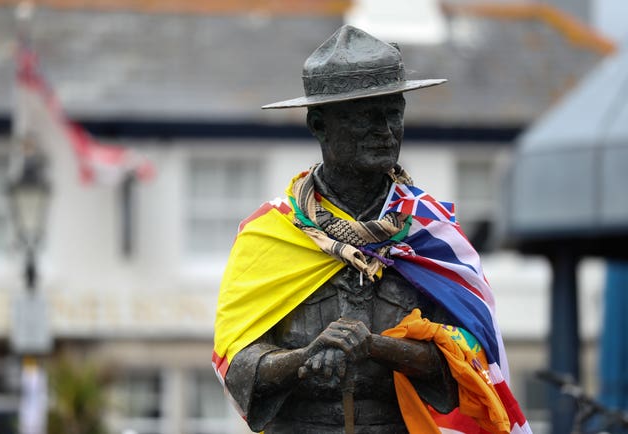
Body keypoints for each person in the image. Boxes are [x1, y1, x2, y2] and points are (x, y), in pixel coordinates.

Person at [213, 25, 532, 434]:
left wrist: (377, 347)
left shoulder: (429, 233)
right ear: (318, 124)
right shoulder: (270, 234)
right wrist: (305, 358)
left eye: (393, 113)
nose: (385, 131)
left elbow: (465, 362)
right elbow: (237, 365)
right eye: (365, 117)